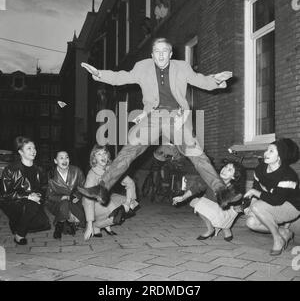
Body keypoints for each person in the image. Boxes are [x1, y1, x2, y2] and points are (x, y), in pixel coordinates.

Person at [81, 37, 233, 204]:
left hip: (176, 116)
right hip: (153, 116)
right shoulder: (142, 67)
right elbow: (121, 77)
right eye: (157, 52)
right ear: (152, 54)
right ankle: (102, 188)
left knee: (196, 153)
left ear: (171, 54)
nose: (161, 56)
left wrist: (216, 80)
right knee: (129, 150)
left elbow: (200, 80)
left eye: (164, 52)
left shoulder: (182, 67)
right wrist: (100, 74)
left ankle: (221, 191)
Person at [244, 138, 300, 256]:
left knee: (258, 207)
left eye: (271, 151)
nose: (266, 153)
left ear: (280, 156)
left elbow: (276, 200)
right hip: (272, 203)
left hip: (292, 207)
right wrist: (252, 204)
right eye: (267, 149)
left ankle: (277, 239)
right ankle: (284, 232)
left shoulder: (288, 175)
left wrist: (254, 195)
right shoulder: (260, 169)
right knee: (251, 223)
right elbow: (257, 187)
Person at [173, 161, 246, 241]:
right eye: (225, 167)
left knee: (223, 209)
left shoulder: (235, 189)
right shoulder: (212, 179)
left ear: (234, 177)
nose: (224, 170)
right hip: (212, 208)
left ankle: (226, 228)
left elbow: (234, 204)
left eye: (229, 170)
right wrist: (183, 197)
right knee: (195, 202)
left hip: (226, 212)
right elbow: (196, 187)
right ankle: (210, 229)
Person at [80, 145, 139, 241]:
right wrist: (90, 224)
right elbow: (88, 199)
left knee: (131, 205)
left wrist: (127, 203)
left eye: (104, 153)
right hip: (94, 203)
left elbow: (130, 183)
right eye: (99, 154)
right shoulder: (92, 174)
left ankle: (105, 224)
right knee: (116, 212)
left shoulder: (111, 169)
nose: (102, 156)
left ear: (107, 156)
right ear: (94, 158)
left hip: (107, 198)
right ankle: (96, 225)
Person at [0, 136, 50, 245]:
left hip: (33, 201)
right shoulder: (10, 170)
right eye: (29, 148)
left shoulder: (40, 169)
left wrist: (38, 195)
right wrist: (27, 196)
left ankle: (17, 225)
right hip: (13, 202)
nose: (33, 151)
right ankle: (19, 235)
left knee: (42, 222)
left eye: (34, 148)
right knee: (31, 206)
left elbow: (44, 187)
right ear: (20, 152)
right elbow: (4, 194)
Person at [46, 151, 86, 239]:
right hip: (57, 203)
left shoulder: (76, 171)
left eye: (66, 157)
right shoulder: (51, 175)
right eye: (61, 158)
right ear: (55, 161)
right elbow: (49, 196)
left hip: (74, 201)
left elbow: (83, 187)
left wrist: (78, 196)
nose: (65, 160)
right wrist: (62, 197)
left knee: (80, 219)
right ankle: (60, 226)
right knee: (64, 204)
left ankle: (61, 223)